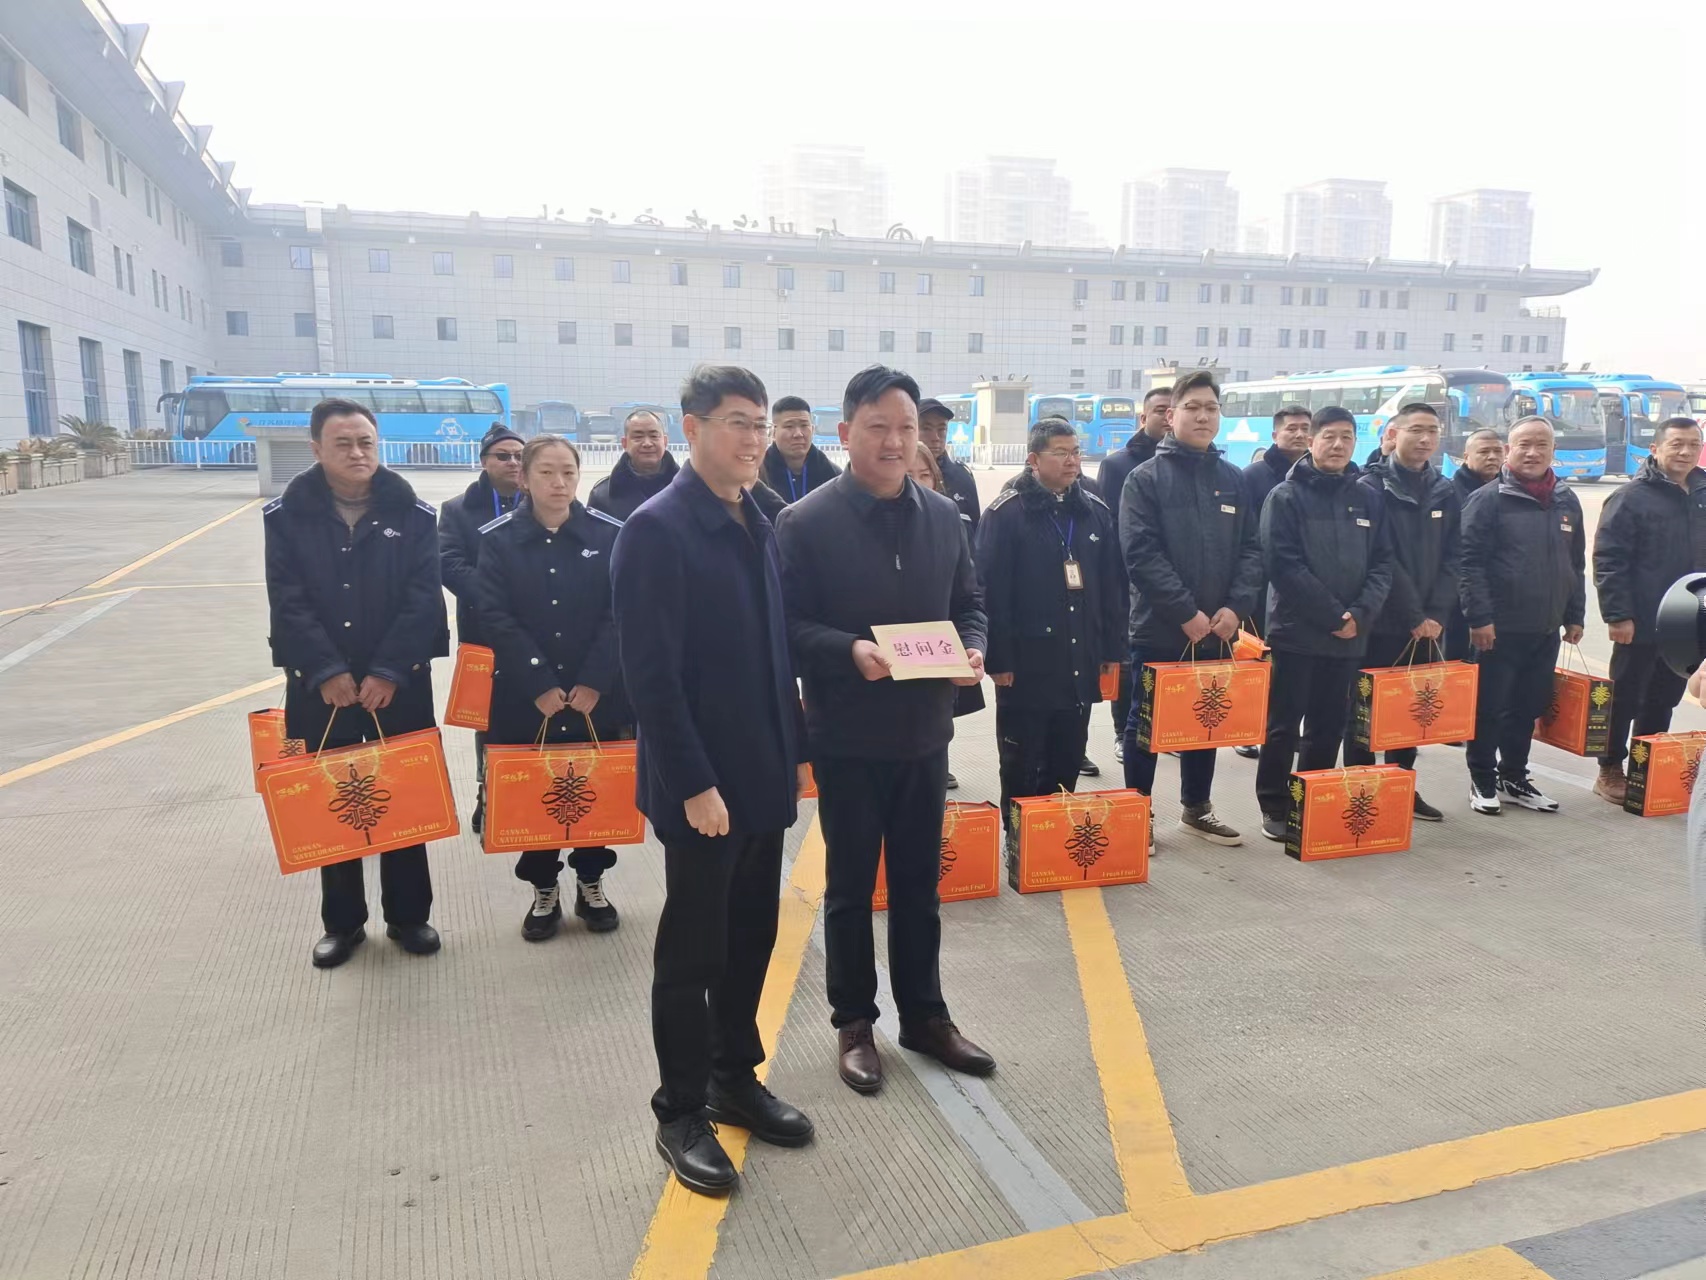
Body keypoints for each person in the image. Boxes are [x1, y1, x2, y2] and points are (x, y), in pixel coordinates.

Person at [610, 364, 814, 1196]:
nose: (754, 439)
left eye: (760, 424)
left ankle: (735, 1076)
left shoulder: (757, 517)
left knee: (751, 936)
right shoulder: (657, 531)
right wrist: (693, 783)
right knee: (694, 950)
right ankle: (680, 1111)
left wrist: (796, 753)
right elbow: (650, 677)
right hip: (703, 787)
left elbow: (775, 652)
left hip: (761, 772)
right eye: (738, 422)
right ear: (692, 429)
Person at [776, 365, 995, 1095]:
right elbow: (787, 625)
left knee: (918, 887)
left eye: (905, 428)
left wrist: (974, 648)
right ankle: (854, 1023)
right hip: (847, 736)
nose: (895, 441)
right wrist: (850, 650)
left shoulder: (942, 516)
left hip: (925, 734)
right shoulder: (804, 523)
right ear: (845, 434)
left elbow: (970, 603)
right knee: (848, 888)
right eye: (878, 427)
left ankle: (926, 1017)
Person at [263, 397, 449, 968]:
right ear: (316, 449)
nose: (357, 452)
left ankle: (409, 916)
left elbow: (423, 600)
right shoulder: (286, 517)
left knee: (402, 797)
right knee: (336, 799)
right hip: (321, 687)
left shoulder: (414, 515)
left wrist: (389, 670)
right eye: (342, 443)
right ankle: (342, 924)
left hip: (399, 684)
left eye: (366, 441)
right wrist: (326, 671)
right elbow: (287, 601)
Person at [476, 435, 629, 939]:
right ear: (524, 478)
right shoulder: (498, 539)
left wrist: (594, 680)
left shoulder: (609, 534)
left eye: (568, 472)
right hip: (526, 695)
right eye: (546, 472)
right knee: (535, 792)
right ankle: (544, 888)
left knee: (592, 789)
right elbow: (495, 616)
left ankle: (591, 881)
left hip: (594, 695)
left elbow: (619, 612)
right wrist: (538, 680)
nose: (559, 483)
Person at [1120, 371, 1262, 846]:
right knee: (1147, 724)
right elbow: (1140, 553)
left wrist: (1234, 608)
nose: (1203, 416)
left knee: (1206, 717)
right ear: (1170, 414)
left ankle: (1196, 807)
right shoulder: (1145, 479)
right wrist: (1185, 612)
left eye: (1211, 408)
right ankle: (1137, 814)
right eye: (1193, 407)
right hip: (1160, 627)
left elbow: (1252, 549)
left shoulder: (1232, 479)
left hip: (1219, 628)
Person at [977, 418, 1123, 830]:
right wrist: (998, 658)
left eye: (1075, 452)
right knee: (1021, 760)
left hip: (1079, 657)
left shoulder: (1095, 513)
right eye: (1060, 453)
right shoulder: (1006, 515)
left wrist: (1111, 649)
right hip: (1026, 663)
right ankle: (1018, 839)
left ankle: (1052, 838)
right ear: (1033, 459)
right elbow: (990, 591)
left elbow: (1112, 587)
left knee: (1067, 756)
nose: (1071, 461)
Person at [1255, 407, 1393, 841]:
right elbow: (1283, 565)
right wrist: (1333, 615)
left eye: (1346, 437)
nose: (1337, 445)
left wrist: (1360, 614)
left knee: (1329, 726)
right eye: (1329, 436)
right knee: (1283, 726)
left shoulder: (1368, 497)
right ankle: (1274, 804)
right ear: (1311, 441)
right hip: (1297, 632)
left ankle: (1310, 799)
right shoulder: (1285, 496)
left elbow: (1383, 562)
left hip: (1350, 634)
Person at [1458, 417, 1586, 815]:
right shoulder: (1488, 499)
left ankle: (1513, 777)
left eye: (1541, 445)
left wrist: (1575, 614)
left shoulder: (1565, 499)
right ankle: (1482, 779)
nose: (1532, 453)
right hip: (1498, 629)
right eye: (1524, 445)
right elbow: (1468, 564)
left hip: (1545, 628)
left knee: (1528, 707)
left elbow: (1574, 563)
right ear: (1508, 450)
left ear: (1553, 452)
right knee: (1490, 708)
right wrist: (1479, 618)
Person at [1340, 403, 1460, 822]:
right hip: (1380, 619)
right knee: (1366, 709)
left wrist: (1437, 612)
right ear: (1393, 434)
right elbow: (1382, 559)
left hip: (1430, 624)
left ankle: (1401, 786)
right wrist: (1413, 614)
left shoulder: (1445, 489)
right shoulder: (1370, 487)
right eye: (1416, 430)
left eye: (1432, 431)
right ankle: (1359, 789)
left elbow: (1455, 556)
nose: (1425, 439)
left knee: (1411, 712)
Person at [1591, 416, 1706, 805]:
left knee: (1663, 698)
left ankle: (1645, 769)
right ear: (1655, 449)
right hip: (1639, 618)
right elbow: (1609, 559)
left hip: (1686, 623)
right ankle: (1609, 768)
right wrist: (1617, 615)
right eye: (1676, 444)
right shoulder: (1631, 497)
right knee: (1624, 697)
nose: (1685, 452)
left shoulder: (1703, 493)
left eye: (1693, 444)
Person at [439, 422, 526, 832]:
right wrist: (497, 596)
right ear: (484, 461)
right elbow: (449, 564)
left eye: (519, 456)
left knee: (532, 708)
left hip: (535, 630)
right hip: (483, 634)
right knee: (486, 717)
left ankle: (524, 791)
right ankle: (487, 790)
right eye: (502, 456)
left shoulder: (543, 500)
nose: (513, 463)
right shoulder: (458, 509)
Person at [1095, 386, 1173, 767]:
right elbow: (1109, 526)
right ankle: (1120, 731)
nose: (1167, 417)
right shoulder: (1117, 465)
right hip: (1126, 579)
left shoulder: (1185, 465)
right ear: (1144, 418)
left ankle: (1166, 728)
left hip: (1171, 590)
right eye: (1160, 410)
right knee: (1126, 662)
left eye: (1173, 410)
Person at [1232, 403, 1312, 758]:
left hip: (1303, 586)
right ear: (1275, 433)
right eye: (1291, 428)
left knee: (1292, 668)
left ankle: (1283, 729)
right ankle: (1246, 727)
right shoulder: (1252, 476)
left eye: (1305, 428)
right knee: (1256, 658)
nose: (1299, 434)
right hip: (1261, 584)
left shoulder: (1316, 474)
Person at [1446, 430, 1506, 661]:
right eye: (1484, 452)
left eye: (1497, 451)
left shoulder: (1511, 491)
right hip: (1456, 604)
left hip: (1500, 603)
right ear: (1466, 456)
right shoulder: (1448, 493)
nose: (1492, 457)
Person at [587, 409, 680, 521]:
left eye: (654, 436)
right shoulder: (602, 495)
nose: (647, 443)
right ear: (624, 443)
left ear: (665, 441)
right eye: (638, 437)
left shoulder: (686, 489)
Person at [761, 396, 841, 503]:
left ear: (812, 429)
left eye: (804, 425)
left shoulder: (833, 475)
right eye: (789, 426)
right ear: (773, 432)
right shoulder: (758, 475)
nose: (798, 434)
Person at [918, 397, 982, 530]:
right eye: (926, 429)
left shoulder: (962, 477)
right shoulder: (897, 476)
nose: (936, 438)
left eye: (941, 429)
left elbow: (975, 531)